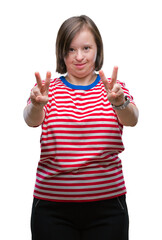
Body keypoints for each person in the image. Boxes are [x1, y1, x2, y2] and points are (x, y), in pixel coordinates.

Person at [23, 15, 139, 240]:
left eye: (86, 48)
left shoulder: (114, 88)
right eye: (70, 49)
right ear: (61, 52)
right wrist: (37, 105)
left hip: (108, 208)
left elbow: (132, 118)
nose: (78, 57)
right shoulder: (48, 91)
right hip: (51, 209)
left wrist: (119, 103)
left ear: (98, 49)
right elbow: (30, 119)